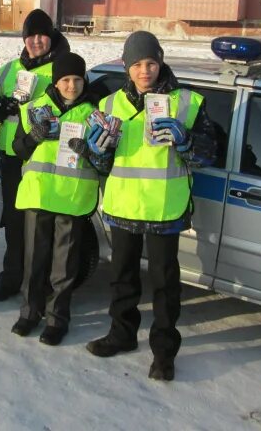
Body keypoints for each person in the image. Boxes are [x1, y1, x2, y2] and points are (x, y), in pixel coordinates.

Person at [73, 31, 217, 380]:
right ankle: (121, 335)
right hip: (123, 207)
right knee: (122, 280)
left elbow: (208, 154)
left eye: (151, 62)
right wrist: (97, 149)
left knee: (165, 285)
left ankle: (164, 352)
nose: (144, 70)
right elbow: (101, 165)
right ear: (126, 66)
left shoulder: (188, 102)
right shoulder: (108, 106)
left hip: (164, 209)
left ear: (160, 61)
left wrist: (186, 142)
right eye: (137, 64)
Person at [10, 53, 100, 346]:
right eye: (65, 80)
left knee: (64, 267)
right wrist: (33, 137)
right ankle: (29, 314)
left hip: (72, 199)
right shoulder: (36, 109)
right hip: (38, 195)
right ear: (56, 82)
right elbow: (18, 149)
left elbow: (104, 158)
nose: (71, 86)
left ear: (84, 81)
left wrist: (90, 151)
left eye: (77, 80)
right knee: (34, 261)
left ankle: (57, 319)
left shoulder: (94, 114)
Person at [0, 8, 70, 302]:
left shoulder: (61, 68)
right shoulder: (9, 69)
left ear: (51, 36)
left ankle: (39, 285)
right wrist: (2, 107)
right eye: (30, 35)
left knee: (42, 227)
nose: (35, 41)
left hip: (44, 158)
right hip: (10, 156)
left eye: (41, 35)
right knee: (15, 222)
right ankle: (11, 278)